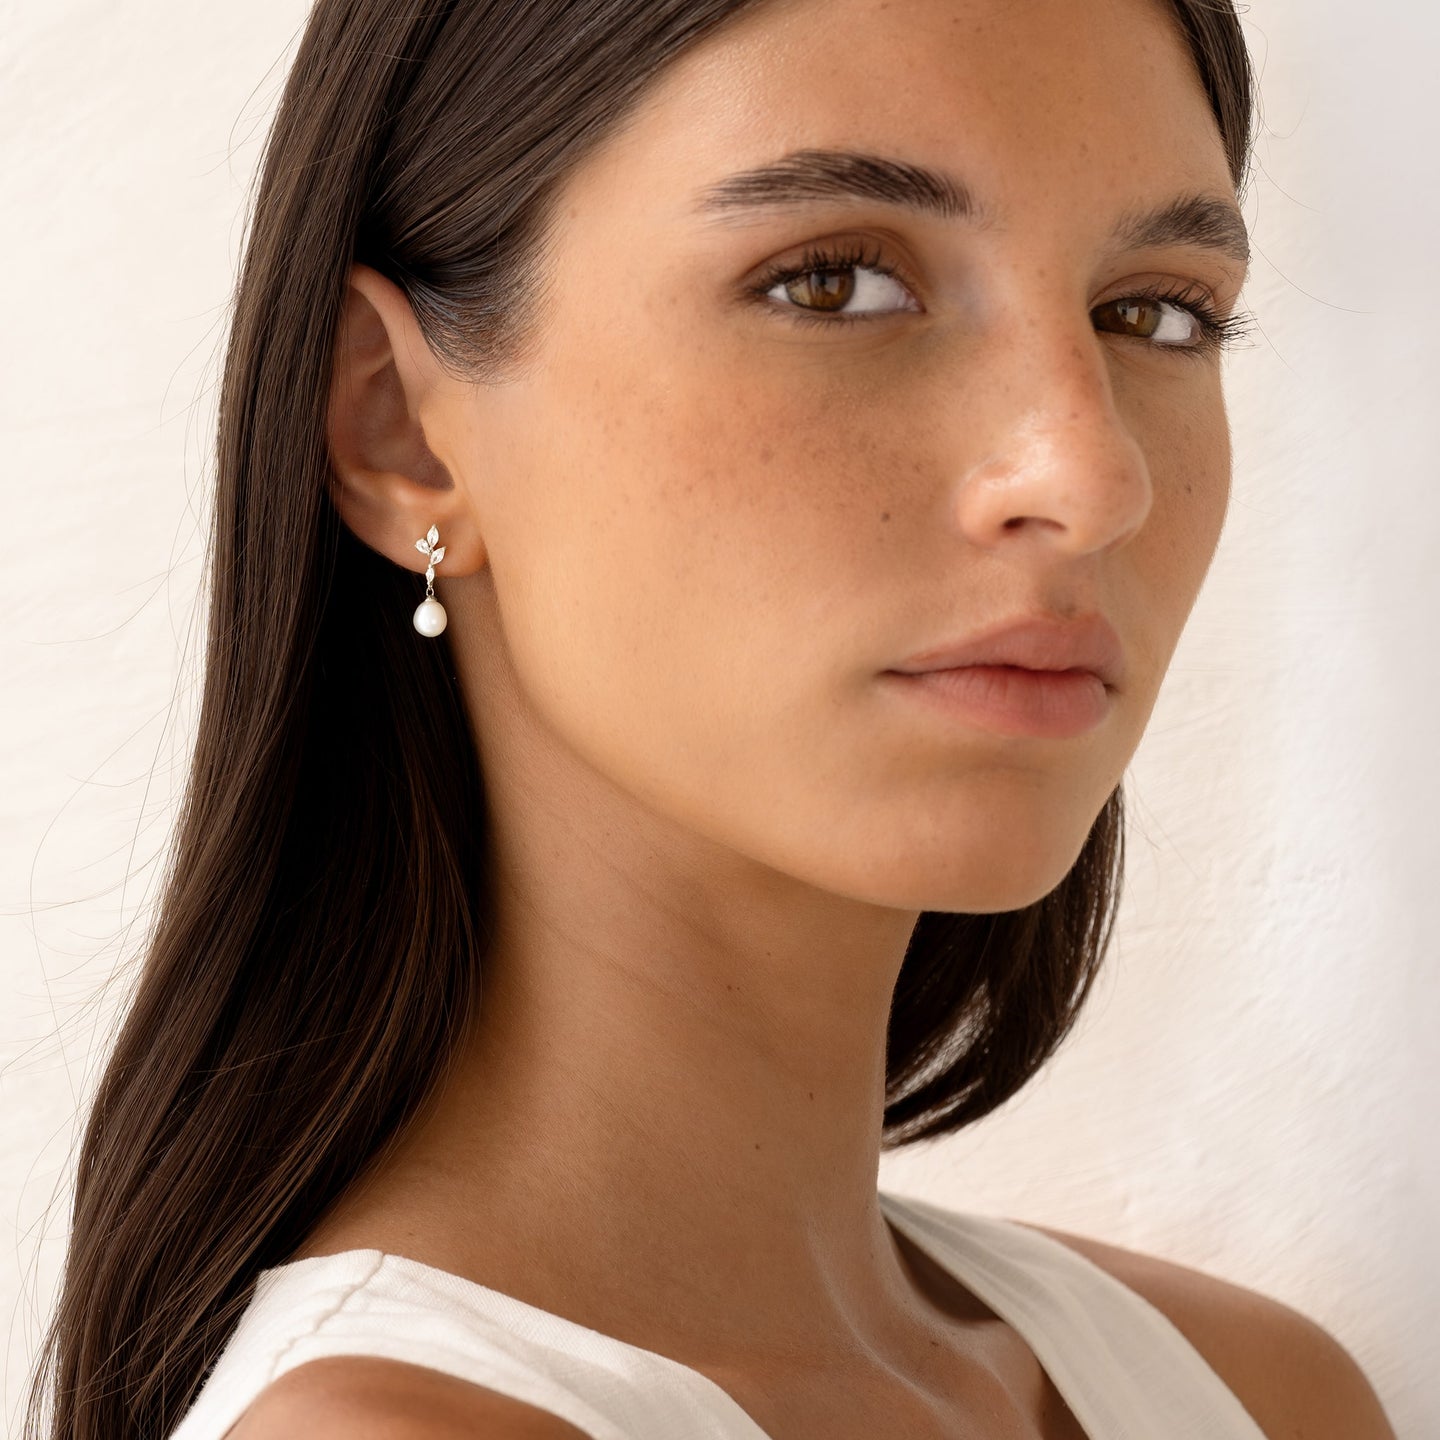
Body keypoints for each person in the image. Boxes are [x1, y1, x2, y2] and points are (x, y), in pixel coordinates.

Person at [27, 0, 1398, 1437]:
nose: (1090, 474)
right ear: (399, 430)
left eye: (1156, 312)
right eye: (833, 284)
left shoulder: (1260, 1396)